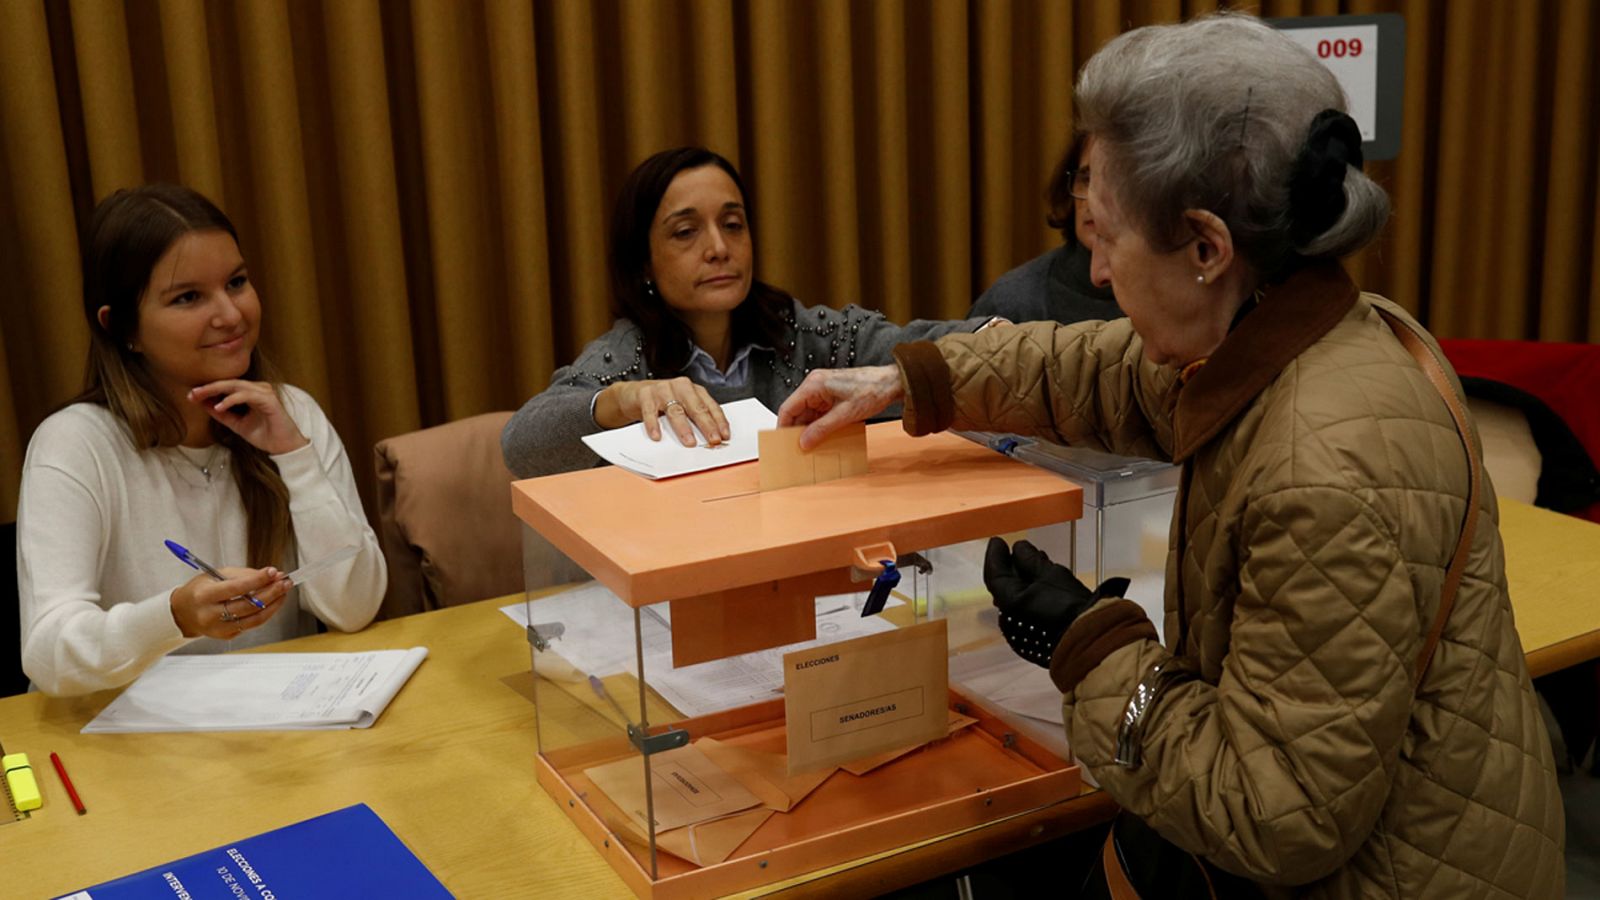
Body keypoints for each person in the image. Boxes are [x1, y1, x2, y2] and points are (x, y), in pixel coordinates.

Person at [778, 14, 1564, 898]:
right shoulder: (1304, 329)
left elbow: (1273, 816)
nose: (1100, 271)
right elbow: (1098, 367)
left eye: (1109, 236)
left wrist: (1090, 642)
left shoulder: (1322, 466)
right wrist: (913, 379)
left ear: (1205, 247)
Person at [17, 184, 386, 697]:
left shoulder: (290, 411)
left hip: (274, 730)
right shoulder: (75, 443)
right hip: (120, 746)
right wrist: (174, 617)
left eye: (236, 282)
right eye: (188, 297)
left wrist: (296, 457)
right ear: (123, 328)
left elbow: (355, 606)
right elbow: (48, 651)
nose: (231, 315)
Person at [501, 146, 993, 478]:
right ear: (643, 262)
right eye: (685, 232)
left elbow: (941, 342)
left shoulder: (807, 336)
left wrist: (1019, 350)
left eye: (732, 224)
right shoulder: (627, 358)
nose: (718, 248)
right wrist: (620, 401)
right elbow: (520, 446)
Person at [970, 131, 1121, 325]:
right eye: (1086, 179)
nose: (1093, 199)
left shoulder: (1166, 295)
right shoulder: (1011, 302)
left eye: (1113, 180)